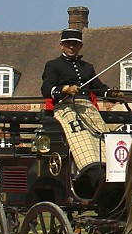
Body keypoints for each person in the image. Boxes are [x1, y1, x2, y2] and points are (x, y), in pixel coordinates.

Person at [41, 28, 115, 180]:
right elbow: (46, 89)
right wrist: (65, 89)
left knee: (102, 134)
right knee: (81, 136)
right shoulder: (53, 65)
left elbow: (98, 88)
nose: (71, 47)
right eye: (68, 44)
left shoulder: (87, 67)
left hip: (87, 108)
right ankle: (90, 169)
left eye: (75, 44)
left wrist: (113, 94)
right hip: (65, 107)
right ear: (62, 45)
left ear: (80, 46)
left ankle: (111, 168)